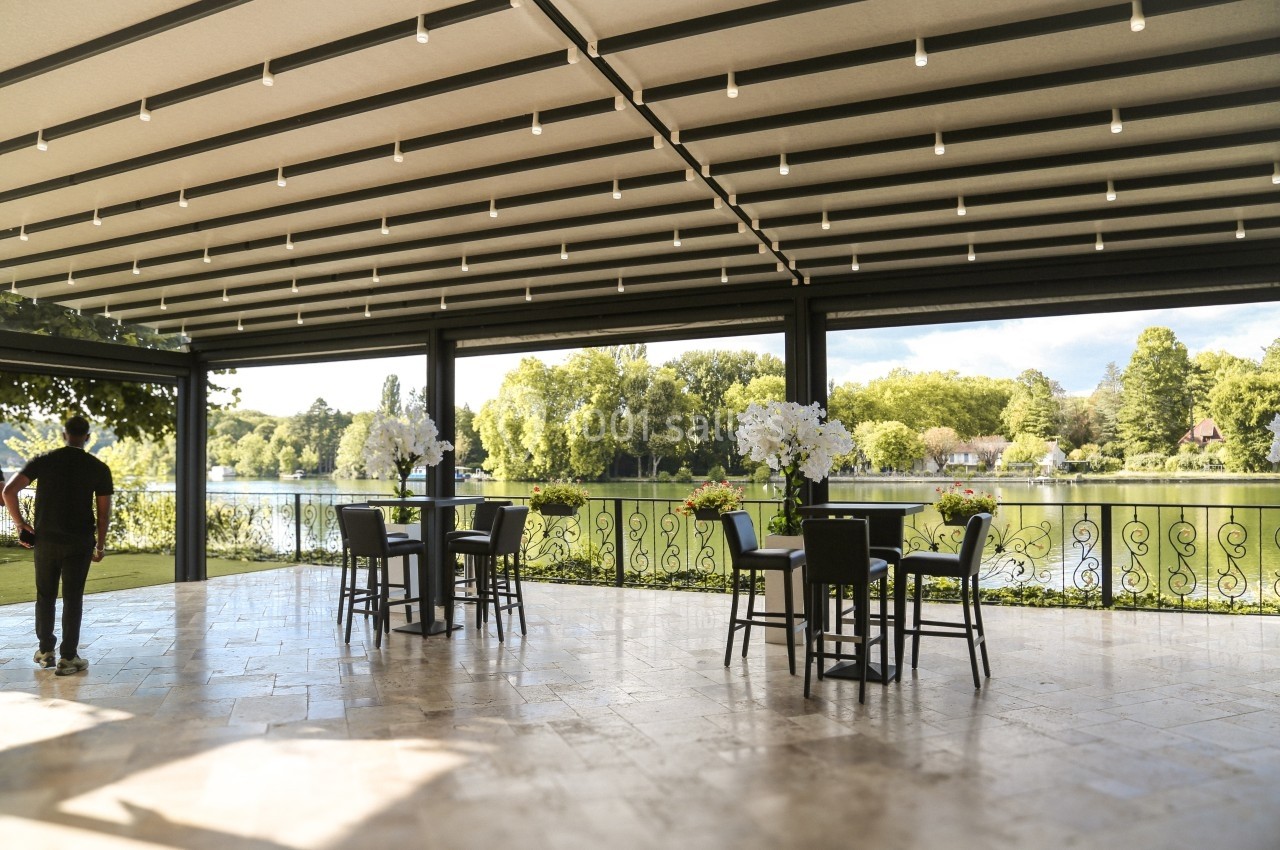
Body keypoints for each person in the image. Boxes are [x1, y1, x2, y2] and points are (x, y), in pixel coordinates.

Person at [3, 415, 113, 676]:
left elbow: (8, 491)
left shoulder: (44, 460)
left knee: (45, 595)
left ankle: (45, 652)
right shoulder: (98, 467)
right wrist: (100, 546)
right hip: (79, 543)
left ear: (64, 435)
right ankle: (68, 658)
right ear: (87, 437)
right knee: (73, 599)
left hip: (46, 542)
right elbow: (104, 513)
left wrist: (22, 525)